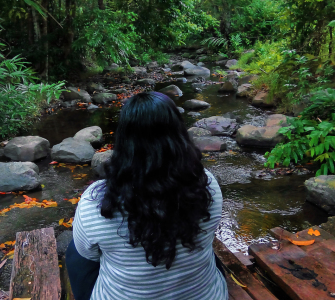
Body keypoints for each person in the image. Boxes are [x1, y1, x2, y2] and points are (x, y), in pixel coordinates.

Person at [66, 91, 228, 300]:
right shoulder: (207, 184)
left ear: (124, 140)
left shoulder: (94, 203)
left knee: (75, 251)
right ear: (179, 135)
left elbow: (87, 256)